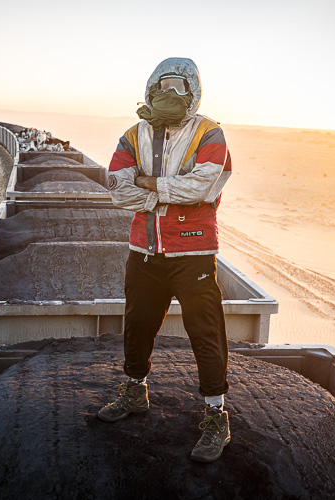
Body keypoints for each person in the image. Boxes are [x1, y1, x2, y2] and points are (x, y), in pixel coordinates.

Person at [98, 57, 233, 463]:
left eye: (179, 87)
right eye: (163, 86)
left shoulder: (210, 133)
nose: (170, 95)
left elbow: (203, 187)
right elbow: (118, 189)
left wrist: (149, 184)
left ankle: (216, 415)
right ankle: (135, 391)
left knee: (205, 333)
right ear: (150, 88)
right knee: (137, 325)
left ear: (193, 90)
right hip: (144, 252)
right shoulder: (133, 134)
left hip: (192, 254)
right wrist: (166, 192)